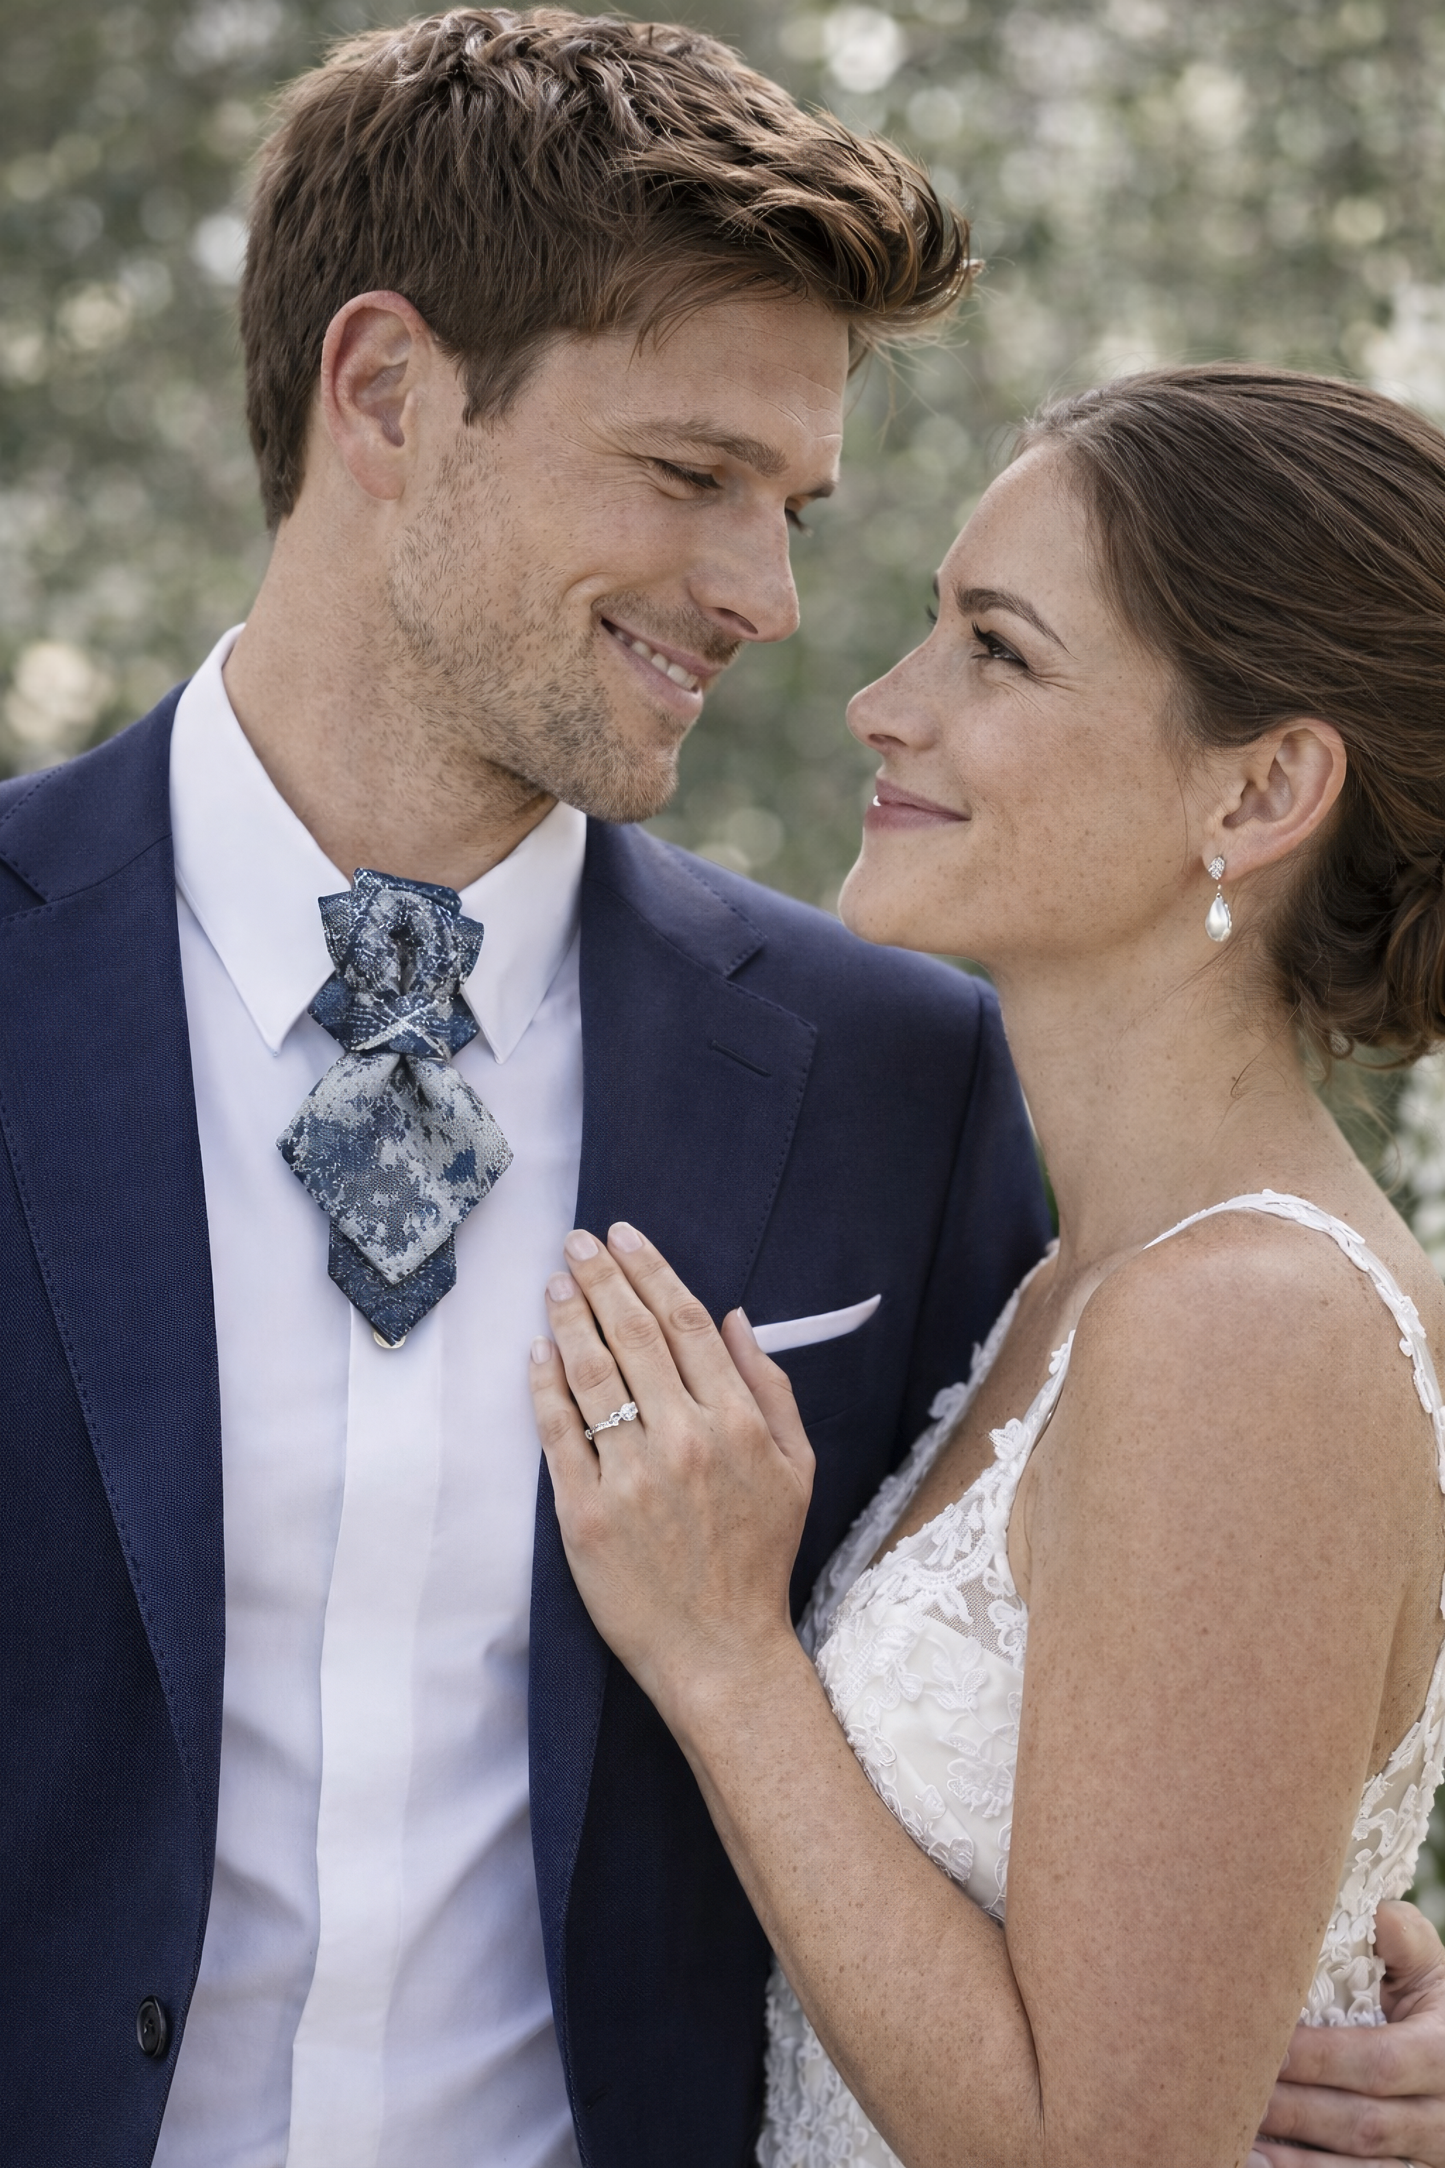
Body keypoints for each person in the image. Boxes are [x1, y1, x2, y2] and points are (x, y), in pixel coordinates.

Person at [0, 3, 1437, 2158]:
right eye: (688, 475)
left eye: (792, 501)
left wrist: (1323, 1965)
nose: (771, 601)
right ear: (383, 390)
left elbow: (1151, 1693)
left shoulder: (898, 1072)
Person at [530, 363, 1445, 2168]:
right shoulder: (1075, 1284)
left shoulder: (1247, 1327)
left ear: (1263, 788)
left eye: (997, 652)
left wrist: (726, 1658)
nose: (881, 704)